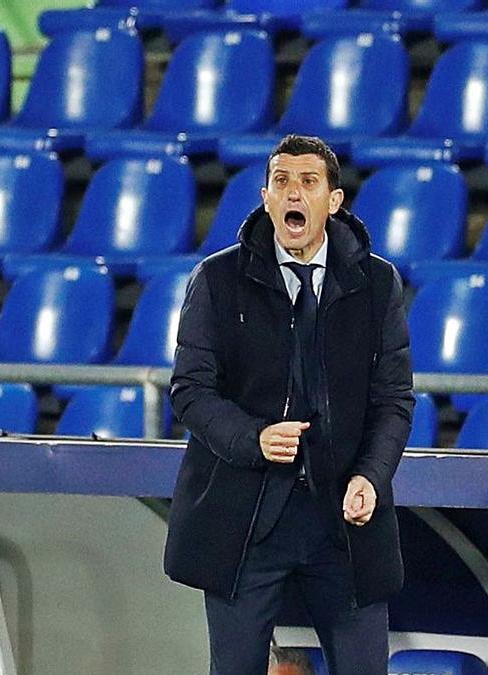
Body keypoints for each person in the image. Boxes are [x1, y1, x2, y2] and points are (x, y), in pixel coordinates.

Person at [164, 134, 414, 674]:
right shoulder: (217, 280)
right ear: (266, 198)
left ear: (333, 201)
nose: (293, 193)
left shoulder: (377, 284)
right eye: (281, 182)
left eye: (307, 182)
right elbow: (190, 390)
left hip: (343, 520)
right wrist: (252, 438)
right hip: (246, 520)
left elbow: (394, 399)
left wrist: (372, 475)